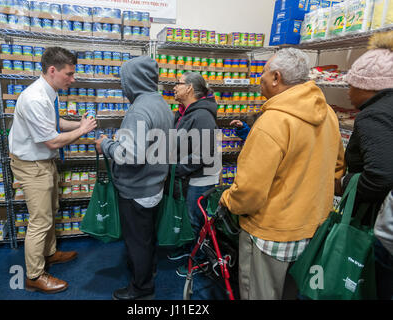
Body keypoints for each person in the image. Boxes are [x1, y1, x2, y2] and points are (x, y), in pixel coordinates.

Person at [219, 48, 346, 300]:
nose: (261, 79)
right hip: (312, 228)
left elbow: (250, 191)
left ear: (276, 77)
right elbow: (338, 168)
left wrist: (227, 201)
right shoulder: (328, 114)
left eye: (264, 73)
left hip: (272, 233)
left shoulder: (272, 122)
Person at [9, 47, 97, 294]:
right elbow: (52, 140)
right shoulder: (35, 98)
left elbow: (55, 122)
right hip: (32, 165)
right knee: (40, 220)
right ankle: (34, 275)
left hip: (43, 162)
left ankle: (49, 253)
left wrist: (79, 124)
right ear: (52, 70)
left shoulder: (49, 92)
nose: (73, 78)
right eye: (69, 74)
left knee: (52, 210)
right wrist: (82, 130)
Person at [95, 56, 174, 300]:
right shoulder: (161, 103)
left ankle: (141, 288)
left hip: (138, 188)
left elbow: (131, 155)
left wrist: (106, 145)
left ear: (134, 81)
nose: (122, 86)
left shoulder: (138, 110)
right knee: (146, 235)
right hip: (155, 183)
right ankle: (148, 269)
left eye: (124, 80)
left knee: (137, 241)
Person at [343, 31, 393, 300]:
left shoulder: (375, 114)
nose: (348, 92)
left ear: (369, 86)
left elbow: (381, 175)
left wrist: (344, 184)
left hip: (383, 229)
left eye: (352, 85)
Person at [165, 72, 220, 277]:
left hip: (202, 177)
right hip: (189, 175)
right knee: (189, 218)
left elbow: (204, 154)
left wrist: (175, 169)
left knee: (198, 220)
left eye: (178, 84)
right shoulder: (184, 112)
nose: (174, 87)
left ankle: (201, 260)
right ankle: (190, 249)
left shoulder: (202, 115)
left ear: (189, 88)